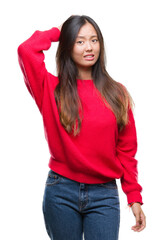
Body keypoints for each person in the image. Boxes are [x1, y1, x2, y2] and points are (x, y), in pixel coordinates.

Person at [17, 15, 146, 240]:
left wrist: (133, 196)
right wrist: (57, 32)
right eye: (79, 41)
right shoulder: (51, 89)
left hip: (104, 194)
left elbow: (126, 150)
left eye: (94, 40)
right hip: (61, 191)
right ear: (68, 46)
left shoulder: (117, 93)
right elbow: (26, 50)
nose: (89, 47)